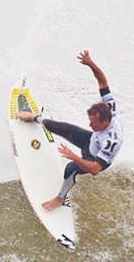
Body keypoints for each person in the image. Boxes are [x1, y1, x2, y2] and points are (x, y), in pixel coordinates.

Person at [19, 50, 123, 210]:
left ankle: (60, 198)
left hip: (94, 158)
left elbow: (95, 169)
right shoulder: (109, 108)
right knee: (59, 126)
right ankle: (34, 118)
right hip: (90, 141)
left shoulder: (112, 141)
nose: (90, 125)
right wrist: (90, 63)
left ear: (106, 121)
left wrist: (73, 156)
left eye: (94, 123)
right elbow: (102, 82)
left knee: (71, 168)